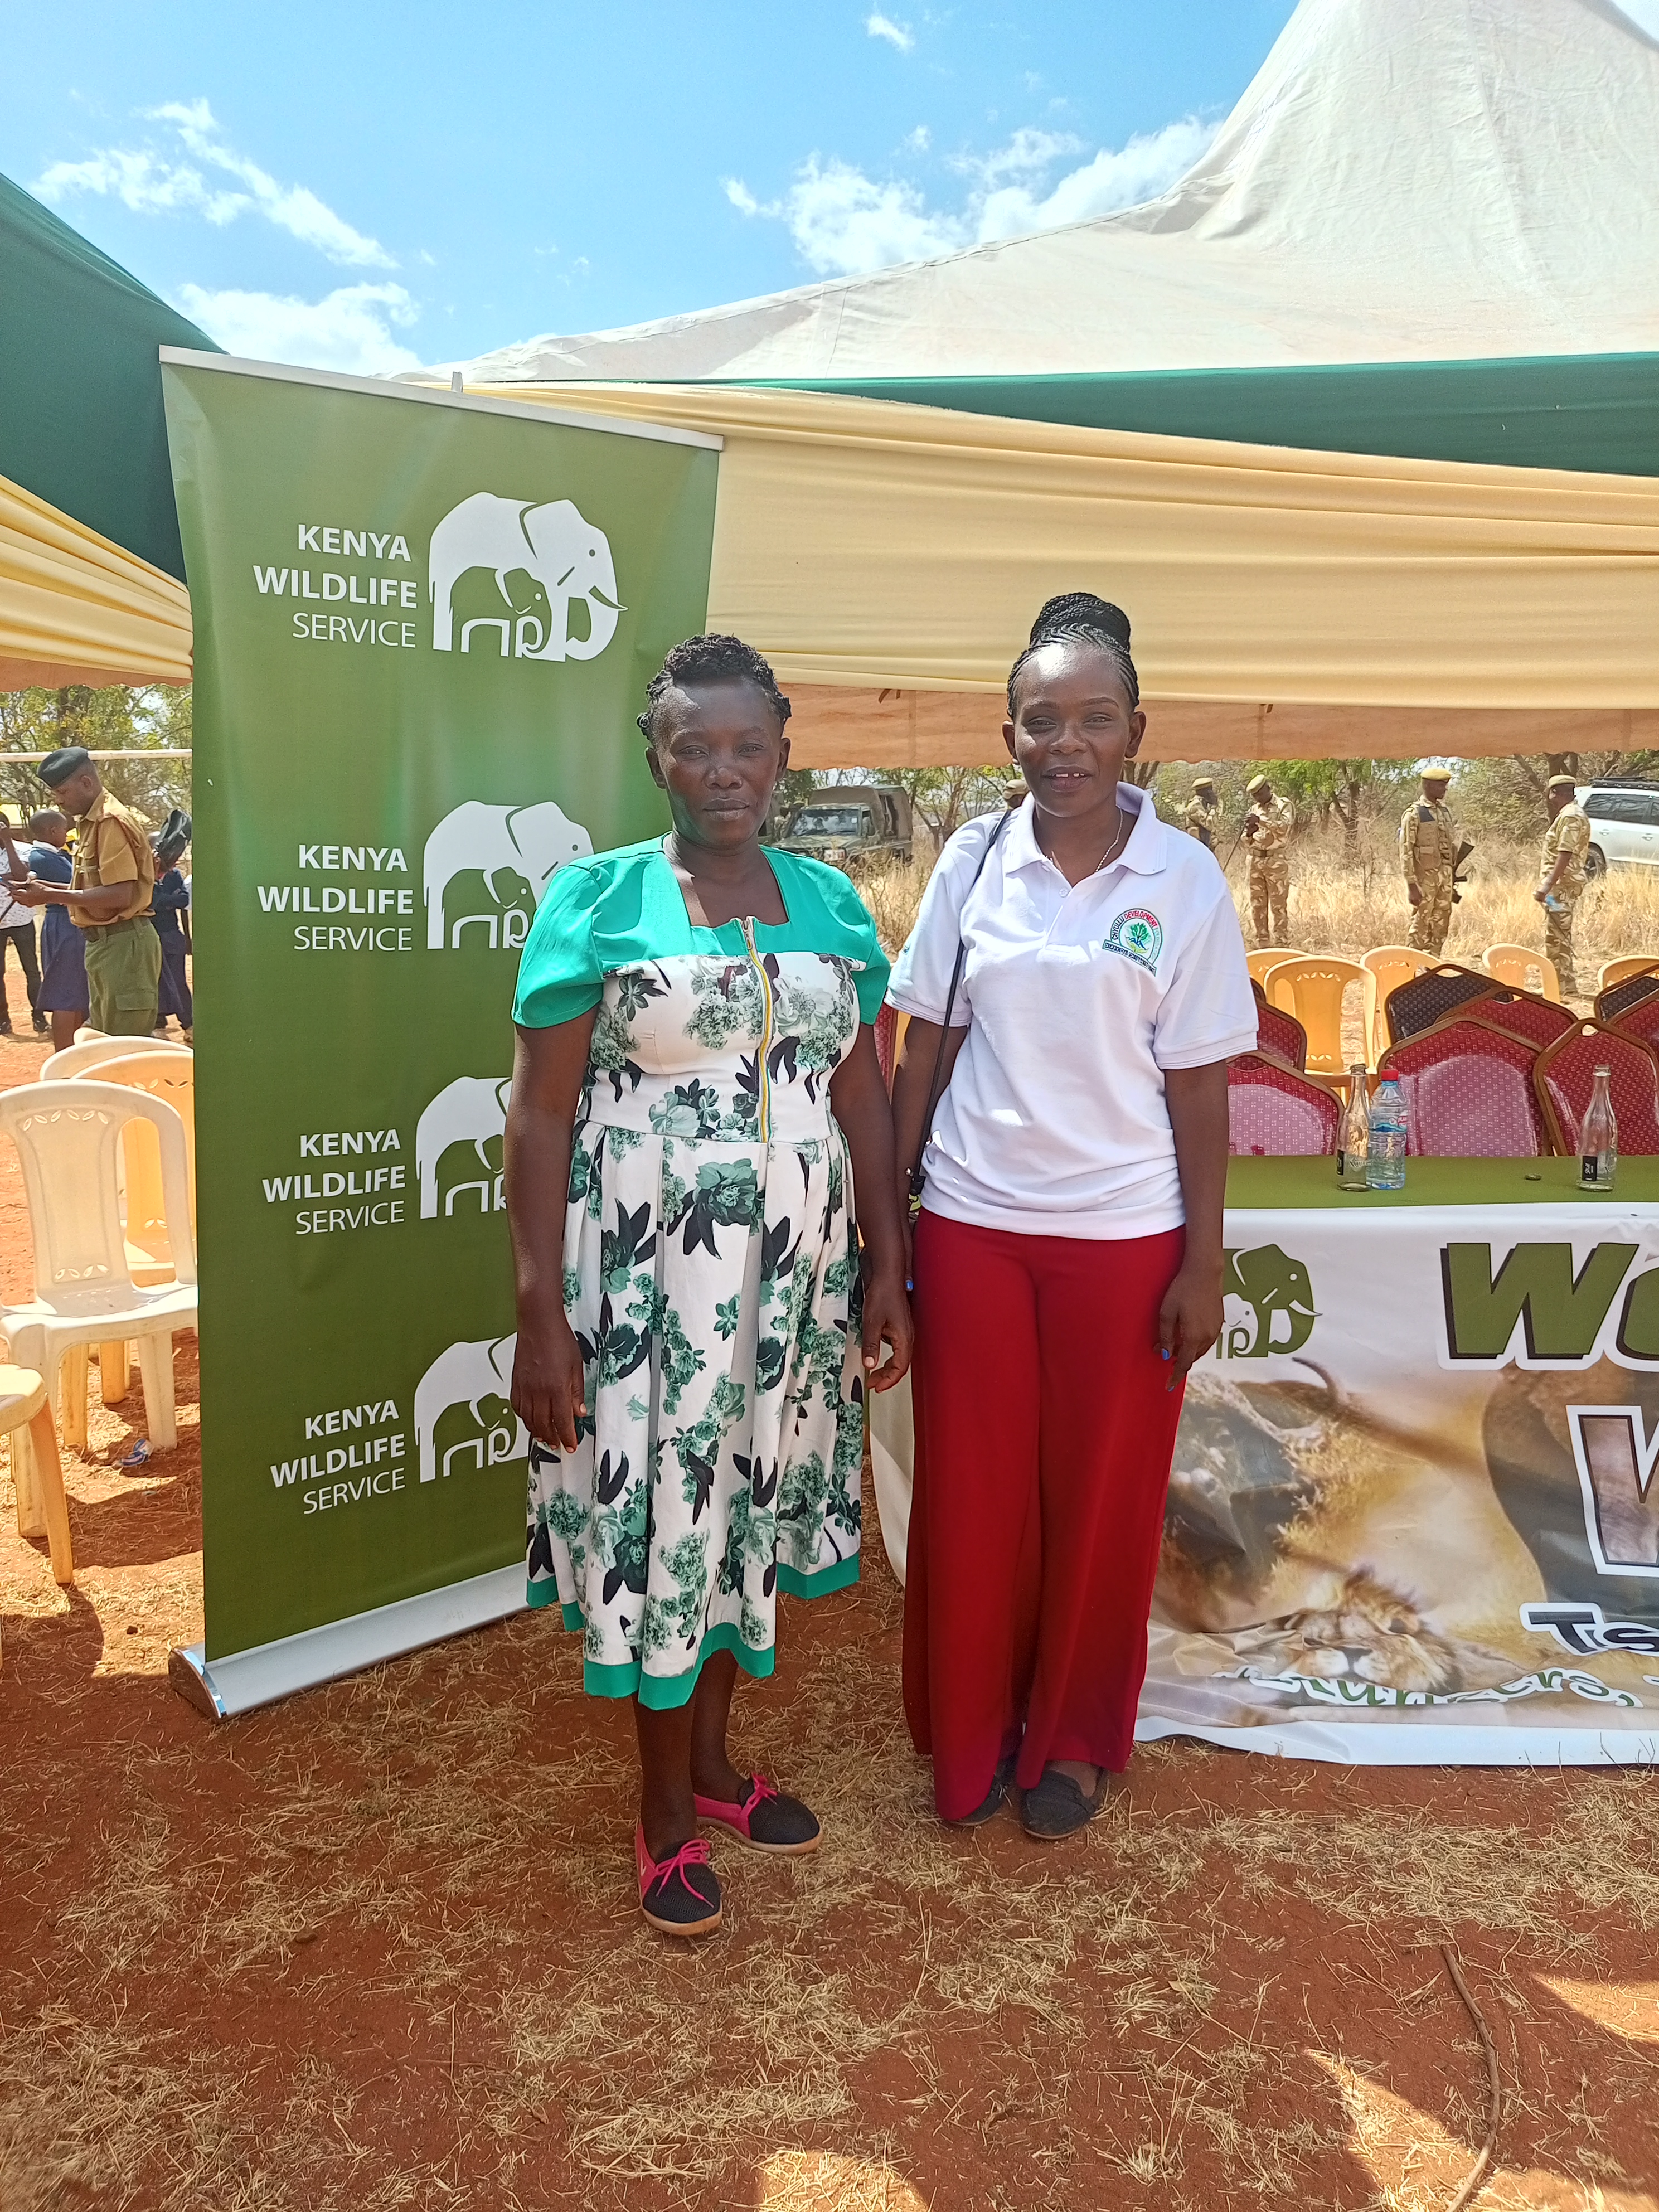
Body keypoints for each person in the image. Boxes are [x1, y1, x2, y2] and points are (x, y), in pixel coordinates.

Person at [505, 633, 911, 1939]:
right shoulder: (598, 899)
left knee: (748, 1507)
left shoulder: (831, 903)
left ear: (783, 754)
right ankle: (661, 1814)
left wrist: (886, 1262)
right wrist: (539, 1318)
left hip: (792, 1279)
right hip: (646, 1285)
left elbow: (857, 1087)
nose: (723, 769)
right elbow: (539, 1115)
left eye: (749, 745)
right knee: (663, 1521)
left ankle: (721, 1771)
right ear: (657, 757)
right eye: (697, 745)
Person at [889, 594, 1255, 1839]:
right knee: (977, 1493)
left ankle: (1074, 1738)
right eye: (1043, 720)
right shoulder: (972, 863)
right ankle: (976, 1731)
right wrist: (892, 1227)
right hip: (976, 1226)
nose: (1068, 742)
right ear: (1009, 736)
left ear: (1137, 730)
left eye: (1095, 718)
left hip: (1124, 1235)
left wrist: (1205, 1259)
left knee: (1100, 1499)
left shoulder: (1186, 878)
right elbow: (923, 1045)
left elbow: (1201, 1086)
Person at [4, 749, 159, 1036]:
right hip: (107, 944)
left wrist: (49, 896)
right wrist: (46, 888)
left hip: (124, 944)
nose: (59, 800)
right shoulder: (91, 821)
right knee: (106, 1041)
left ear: (86, 783)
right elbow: (93, 886)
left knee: (121, 1047)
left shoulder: (110, 821)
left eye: (62, 791)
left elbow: (120, 895)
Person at [3, 811, 87, 1050]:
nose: (66, 833)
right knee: (66, 996)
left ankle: (76, 1055)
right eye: (63, 830)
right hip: (65, 925)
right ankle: (64, 1060)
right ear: (52, 832)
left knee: (77, 996)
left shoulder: (57, 855)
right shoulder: (41, 858)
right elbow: (76, 887)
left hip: (69, 923)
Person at [1400, 767, 1467, 957]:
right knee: (1421, 922)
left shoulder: (1444, 812)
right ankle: (1410, 965)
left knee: (1441, 921)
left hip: (1445, 878)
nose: (1444, 789)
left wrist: (1451, 876)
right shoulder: (1415, 813)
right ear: (1428, 786)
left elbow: (1449, 846)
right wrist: (1412, 885)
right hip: (1425, 880)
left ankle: (1433, 964)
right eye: (1440, 786)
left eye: (1445, 785)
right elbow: (1405, 850)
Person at [1536, 772, 1590, 997]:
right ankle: (1557, 982)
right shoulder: (1569, 814)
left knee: (1559, 934)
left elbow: (1565, 853)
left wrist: (1547, 884)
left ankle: (1565, 985)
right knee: (1554, 933)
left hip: (1561, 889)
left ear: (1555, 793)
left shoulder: (1570, 817)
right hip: (1557, 890)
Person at [0, 813, 47, 1036]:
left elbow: (22, 876)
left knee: (32, 971)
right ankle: (3, 1020)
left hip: (22, 919)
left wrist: (7, 841)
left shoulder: (24, 849)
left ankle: (39, 1017)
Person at [150, 811, 193, 1040]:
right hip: (150, 936)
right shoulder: (143, 875)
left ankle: (189, 1023)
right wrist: (167, 900)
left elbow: (183, 900)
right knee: (154, 980)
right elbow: (152, 901)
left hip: (170, 935)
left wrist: (162, 901)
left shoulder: (175, 874)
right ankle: (158, 1024)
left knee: (178, 980)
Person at [1242, 773, 1293, 945]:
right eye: (1254, 796)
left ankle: (1281, 943)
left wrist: (1261, 821)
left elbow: (1284, 828)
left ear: (1268, 789)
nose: (1257, 798)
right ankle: (1262, 942)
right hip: (1255, 861)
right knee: (1257, 905)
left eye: (1259, 794)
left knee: (1278, 905)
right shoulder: (1254, 809)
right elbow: (1246, 839)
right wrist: (1248, 833)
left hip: (1275, 862)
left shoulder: (1283, 805)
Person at [1182, 777, 1220, 850]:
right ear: (1205, 792)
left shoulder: (1204, 804)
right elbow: (1208, 825)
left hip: (1205, 846)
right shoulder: (1195, 806)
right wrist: (1214, 807)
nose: (1212, 793)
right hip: (1198, 848)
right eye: (1210, 791)